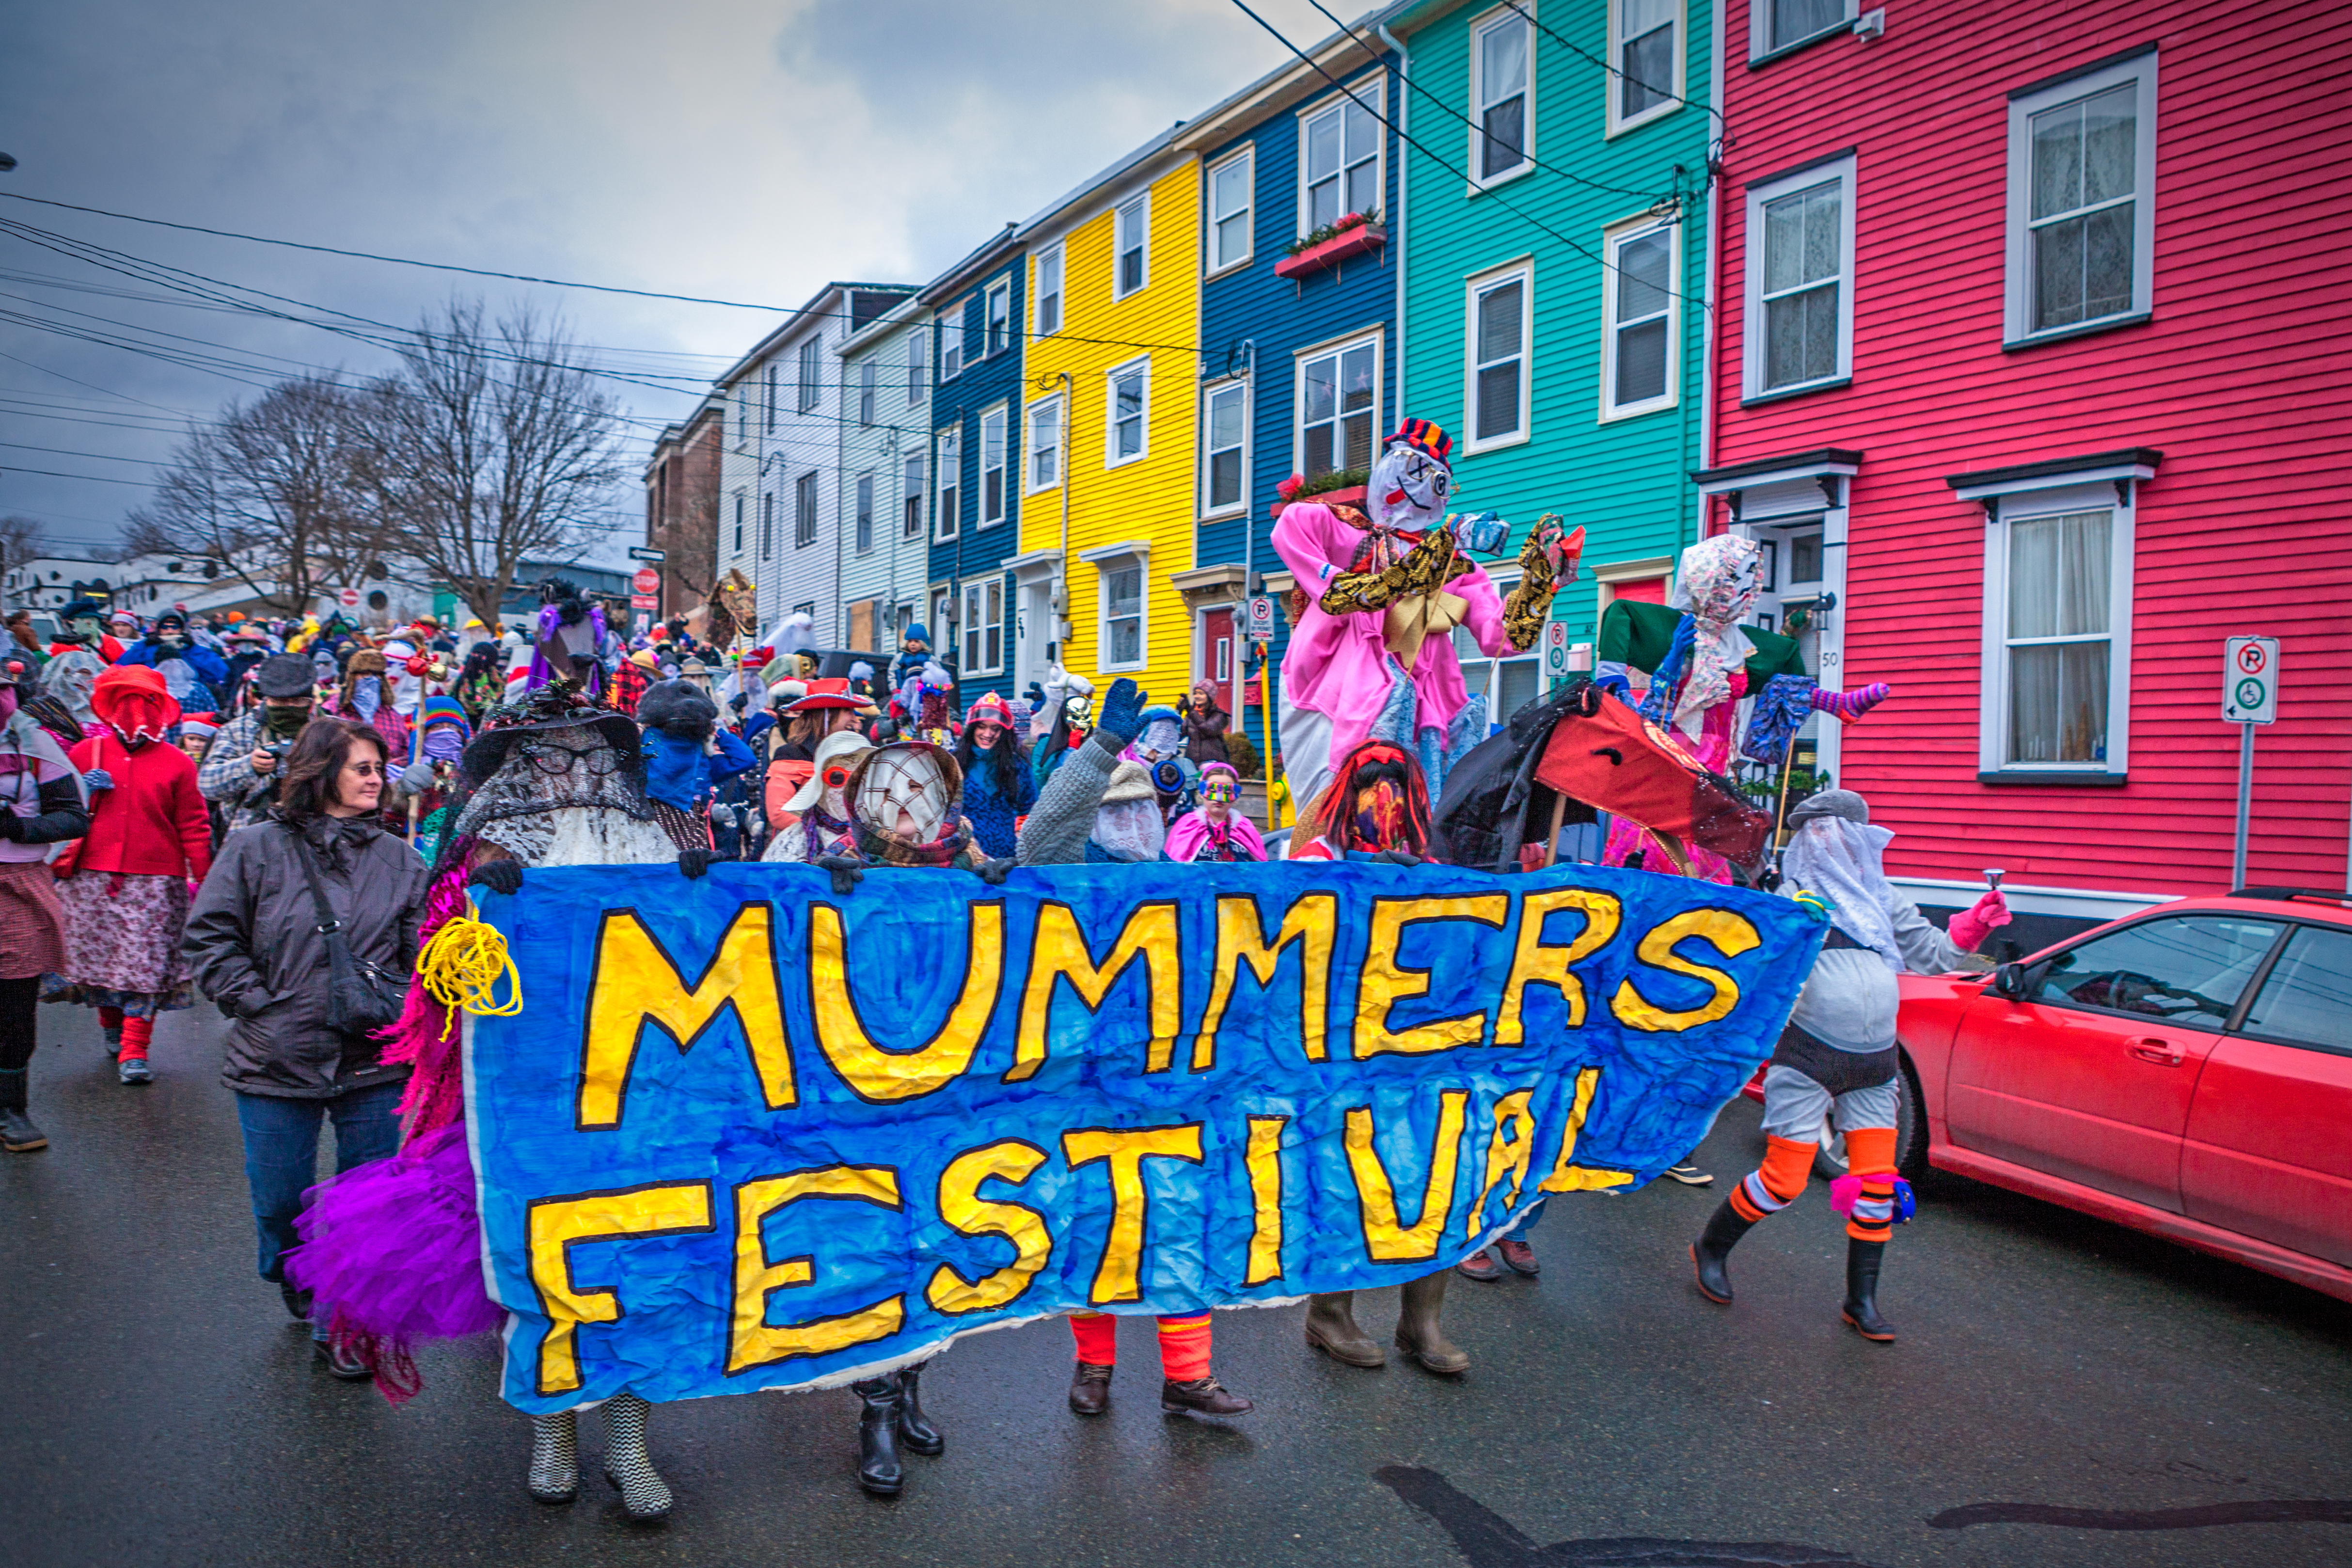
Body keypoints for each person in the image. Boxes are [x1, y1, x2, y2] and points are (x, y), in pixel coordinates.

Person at [1014, 679, 1254, 1421]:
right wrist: (1101, 756)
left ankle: (1189, 1377)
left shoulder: (1187, 880)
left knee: (1182, 1223)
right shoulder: (1071, 869)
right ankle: (1094, 1364)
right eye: (1115, 809)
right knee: (1096, 1226)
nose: (1131, 819)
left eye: (1140, 805)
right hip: (1089, 1085)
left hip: (1177, 1086)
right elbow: (1039, 835)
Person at [1688, 789, 2009, 1343]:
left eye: (1843, 834)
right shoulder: (1788, 897)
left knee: (1876, 1186)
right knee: (1783, 1181)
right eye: (1820, 834)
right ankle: (1710, 1247)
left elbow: (1933, 954)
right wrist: (1783, 927)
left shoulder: (1880, 899)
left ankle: (1860, 1300)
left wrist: (1974, 924)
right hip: (1807, 1057)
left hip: (1873, 1065)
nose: (1832, 844)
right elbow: (1749, 970)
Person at [180, 718, 429, 1376]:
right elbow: (209, 933)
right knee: (281, 1201)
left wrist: (399, 1004)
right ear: (322, 772)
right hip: (275, 1055)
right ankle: (292, 1265)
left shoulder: (402, 860)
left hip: (373, 1057)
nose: (379, 779)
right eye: (363, 767)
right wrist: (257, 1002)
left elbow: (420, 955)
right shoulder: (256, 847)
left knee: (366, 1200)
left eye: (380, 767)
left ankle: (342, 1319)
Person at [1285, 740, 1473, 1375]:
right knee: (1346, 1177)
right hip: (1338, 1053)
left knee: (1439, 1174)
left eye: (1395, 780)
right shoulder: (1317, 856)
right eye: (1370, 781)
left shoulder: (1428, 862)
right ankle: (1329, 1312)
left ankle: (1421, 1320)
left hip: (1416, 1047)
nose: (1382, 796)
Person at [1271, 420, 1568, 811]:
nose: (1418, 488)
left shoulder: (1457, 566)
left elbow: (1504, 639)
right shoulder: (1334, 527)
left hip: (1427, 709)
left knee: (1415, 819)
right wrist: (1441, 547)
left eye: (1436, 480)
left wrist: (1539, 578)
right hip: (1340, 690)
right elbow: (1341, 594)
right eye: (1412, 471)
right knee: (1341, 816)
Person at [45, 666, 211, 1084]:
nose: (136, 712)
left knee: (146, 964)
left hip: (156, 882)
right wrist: (82, 789)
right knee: (102, 963)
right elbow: (55, 808)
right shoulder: (85, 753)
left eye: (148, 701)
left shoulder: (178, 764)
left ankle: (135, 1049)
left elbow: (194, 824)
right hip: (90, 878)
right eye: (127, 701)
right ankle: (113, 1030)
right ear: (111, 707)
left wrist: (207, 881)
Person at [0, 676, 92, 1152]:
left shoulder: (31, 745)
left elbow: (72, 815)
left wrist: (17, 825)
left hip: (15, 886)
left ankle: (11, 1107)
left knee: (14, 1005)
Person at [199, 652, 321, 835]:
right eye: (280, 702)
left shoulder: (329, 731)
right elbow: (207, 785)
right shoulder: (240, 730)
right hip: (251, 839)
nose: (288, 708)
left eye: (297, 702)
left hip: (316, 835)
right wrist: (249, 766)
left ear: (311, 701)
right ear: (267, 699)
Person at [635, 680, 756, 850]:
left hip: (688, 824)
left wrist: (714, 732)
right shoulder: (647, 746)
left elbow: (745, 760)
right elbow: (745, 759)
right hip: (666, 823)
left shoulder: (701, 760)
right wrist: (717, 733)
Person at [760, 729, 870, 864]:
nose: (850, 788)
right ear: (820, 786)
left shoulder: (886, 835)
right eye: (837, 777)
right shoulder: (797, 839)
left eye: (862, 777)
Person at [952, 693, 1037, 859]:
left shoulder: (1018, 765)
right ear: (972, 728)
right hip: (965, 855)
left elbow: (1030, 808)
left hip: (1006, 857)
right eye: (982, 727)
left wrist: (1023, 837)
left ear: (1004, 732)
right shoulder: (955, 763)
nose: (988, 734)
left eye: (995, 728)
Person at [1163, 761, 1265, 863]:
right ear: (1201, 792)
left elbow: (1260, 870)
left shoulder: (1245, 828)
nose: (1219, 799)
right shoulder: (1187, 826)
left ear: (1235, 796)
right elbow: (1174, 870)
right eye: (1212, 791)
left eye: (1227, 792)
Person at [1180, 682, 1230, 769]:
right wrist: (1177, 713)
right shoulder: (1191, 715)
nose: (1197, 696)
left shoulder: (1220, 715)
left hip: (1213, 763)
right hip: (1192, 763)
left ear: (1210, 696)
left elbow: (1209, 730)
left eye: (1201, 694)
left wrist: (1190, 711)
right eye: (1195, 693)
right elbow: (1179, 734)